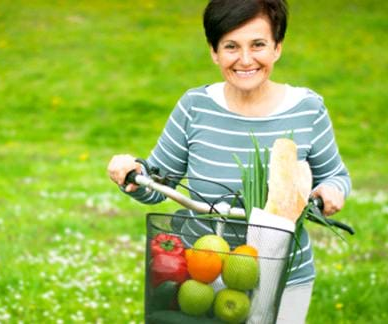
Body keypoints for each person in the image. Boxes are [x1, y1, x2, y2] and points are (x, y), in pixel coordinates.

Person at [108, 0, 351, 323]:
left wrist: (331, 192)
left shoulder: (307, 108)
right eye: (231, 46)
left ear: (277, 47)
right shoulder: (195, 106)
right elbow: (157, 183)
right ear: (214, 51)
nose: (245, 59)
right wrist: (133, 174)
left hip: (282, 271)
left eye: (258, 45)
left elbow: (335, 175)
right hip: (203, 272)